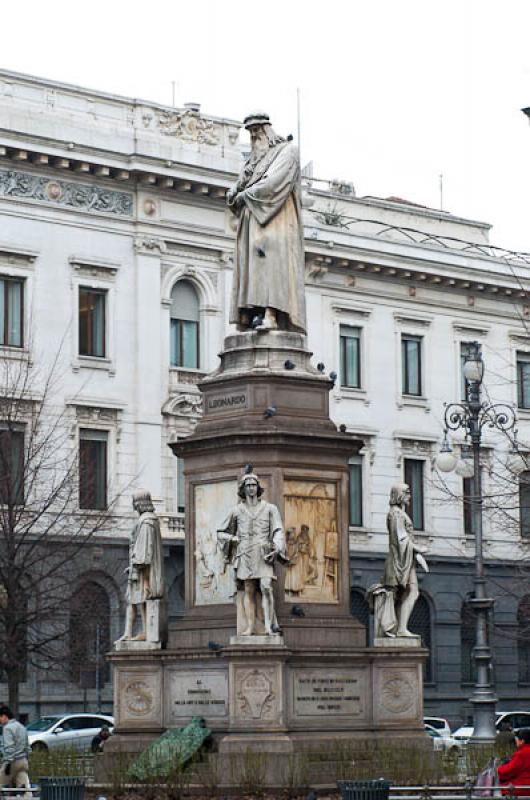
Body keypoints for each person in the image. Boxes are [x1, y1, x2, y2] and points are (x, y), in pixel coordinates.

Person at [227, 111, 306, 334]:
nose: (254, 138)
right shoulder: (253, 162)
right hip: (252, 225)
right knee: (254, 271)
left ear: (268, 130)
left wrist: (244, 195)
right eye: (251, 134)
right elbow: (241, 185)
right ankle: (254, 314)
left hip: (276, 224)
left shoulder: (287, 152)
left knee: (273, 269)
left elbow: (274, 183)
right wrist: (234, 191)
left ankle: (272, 315)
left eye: (257, 132)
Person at [217, 468, 286, 635]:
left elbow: (278, 530)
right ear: (243, 489)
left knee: (266, 586)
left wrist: (277, 547)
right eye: (247, 485)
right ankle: (250, 626)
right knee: (248, 589)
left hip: (263, 553)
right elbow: (221, 532)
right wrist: (232, 539)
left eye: (254, 485)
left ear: (258, 487)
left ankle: (269, 626)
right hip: (245, 553)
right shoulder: (236, 511)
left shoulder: (270, 509)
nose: (251, 488)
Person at [119, 489, 165, 642]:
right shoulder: (148, 521)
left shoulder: (147, 522)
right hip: (137, 569)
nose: (134, 507)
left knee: (140, 601)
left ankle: (145, 632)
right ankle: (128, 633)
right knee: (132, 601)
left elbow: (144, 552)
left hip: (142, 571)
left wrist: (144, 578)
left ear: (141, 504)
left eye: (135, 504)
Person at [0, 705, 30, 796]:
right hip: (23, 761)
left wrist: (8, 763)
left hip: (13, 762)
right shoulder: (21, 727)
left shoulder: (7, 728)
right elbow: (28, 747)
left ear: (4, 716)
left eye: (0, 718)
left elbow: (10, 748)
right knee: (25, 790)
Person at [498, 728, 530, 795]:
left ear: (522, 741)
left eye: (517, 739)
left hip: (522, 787)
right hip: (525, 785)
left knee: (496, 788)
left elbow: (508, 771)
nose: (516, 742)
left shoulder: (522, 754)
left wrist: (498, 769)